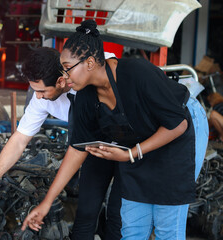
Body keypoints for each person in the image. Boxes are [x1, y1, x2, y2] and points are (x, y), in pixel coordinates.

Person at [22, 20, 209, 240]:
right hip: (139, 141)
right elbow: (76, 149)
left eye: (67, 68)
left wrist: (130, 153)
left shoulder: (137, 72)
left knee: (166, 226)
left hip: (178, 131)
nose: (64, 76)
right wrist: (46, 203)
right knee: (131, 229)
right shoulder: (84, 96)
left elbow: (178, 124)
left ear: (90, 63)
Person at [0, 47, 121, 239]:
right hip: (92, 147)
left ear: (61, 81)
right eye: (35, 91)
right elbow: (19, 139)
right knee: (85, 214)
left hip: (127, 146)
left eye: (42, 90)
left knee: (118, 216)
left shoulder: (92, 74)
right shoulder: (40, 98)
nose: (39, 96)